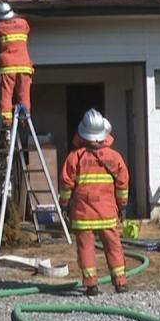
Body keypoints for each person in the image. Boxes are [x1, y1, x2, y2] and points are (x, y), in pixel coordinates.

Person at [59, 109, 131, 296]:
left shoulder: (75, 157)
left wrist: (64, 204)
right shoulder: (114, 157)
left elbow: (66, 184)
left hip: (83, 215)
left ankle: (91, 285)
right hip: (107, 214)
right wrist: (122, 205)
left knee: (86, 248)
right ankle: (120, 283)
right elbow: (123, 184)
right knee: (114, 247)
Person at [0, 2, 34, 128]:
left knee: (7, 93)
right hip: (24, 65)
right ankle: (24, 119)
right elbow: (27, 28)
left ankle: (6, 120)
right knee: (24, 93)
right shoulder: (23, 24)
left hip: (7, 66)